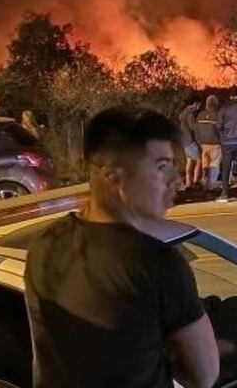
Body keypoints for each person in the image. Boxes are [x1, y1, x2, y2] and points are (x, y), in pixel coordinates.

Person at [25, 107, 219, 388]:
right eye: (161, 167)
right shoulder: (156, 263)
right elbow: (204, 375)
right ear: (114, 178)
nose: (176, 180)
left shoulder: (44, 247)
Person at [196, 95, 222, 191]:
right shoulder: (217, 115)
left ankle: (205, 183)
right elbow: (220, 130)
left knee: (205, 164)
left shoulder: (200, 115)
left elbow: (196, 130)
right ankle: (212, 185)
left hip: (203, 144)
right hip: (215, 144)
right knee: (214, 164)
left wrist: (199, 142)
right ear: (216, 105)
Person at [178, 99, 203, 189]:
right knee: (199, 160)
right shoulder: (190, 114)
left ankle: (188, 182)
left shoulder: (183, 113)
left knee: (189, 161)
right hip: (190, 140)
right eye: (199, 104)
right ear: (195, 103)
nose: (199, 107)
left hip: (184, 140)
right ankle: (196, 181)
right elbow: (193, 128)